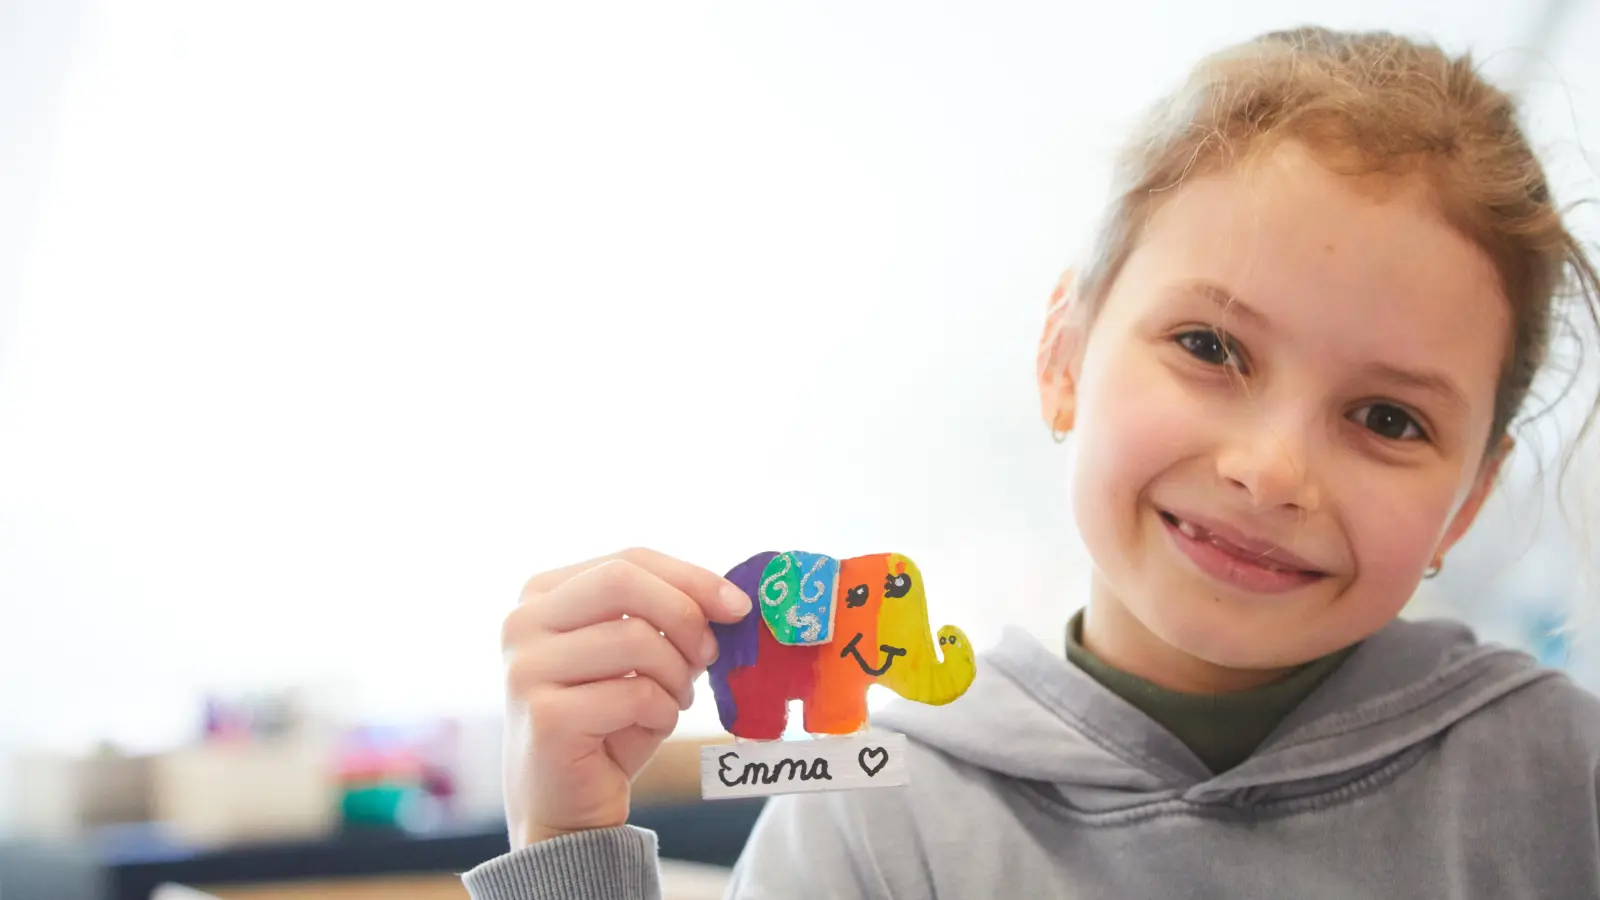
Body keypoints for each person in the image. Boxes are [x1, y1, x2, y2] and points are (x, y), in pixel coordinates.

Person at [466, 25, 1600, 899]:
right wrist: (567, 844)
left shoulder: (1563, 787)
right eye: (1209, 347)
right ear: (1061, 353)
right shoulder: (874, 814)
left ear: (1468, 503)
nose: (1271, 470)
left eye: (1389, 420)